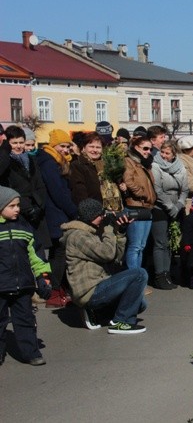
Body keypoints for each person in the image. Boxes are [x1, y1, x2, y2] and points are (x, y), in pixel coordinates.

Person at [61, 198, 148, 334]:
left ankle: (97, 313)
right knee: (139, 274)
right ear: (91, 216)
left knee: (140, 304)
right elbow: (107, 253)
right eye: (101, 215)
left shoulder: (90, 233)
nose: (103, 217)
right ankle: (122, 322)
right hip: (90, 291)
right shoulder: (77, 236)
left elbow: (116, 259)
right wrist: (109, 229)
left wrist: (120, 232)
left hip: (100, 284)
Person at [0, 186, 52, 365]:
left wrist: (42, 277)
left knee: (25, 320)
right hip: (1, 285)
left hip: (23, 284)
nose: (17, 209)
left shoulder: (24, 226)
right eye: (12, 206)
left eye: (18, 205)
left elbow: (36, 255)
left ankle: (31, 353)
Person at [35, 129, 79, 308]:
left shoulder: (57, 161)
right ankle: (54, 292)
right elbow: (58, 192)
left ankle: (59, 290)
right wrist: (73, 211)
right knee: (59, 253)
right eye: (62, 146)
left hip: (57, 212)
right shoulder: (49, 163)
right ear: (54, 145)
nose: (66, 150)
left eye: (68, 146)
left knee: (57, 252)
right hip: (55, 213)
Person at [150, 140, 187, 290]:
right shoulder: (155, 165)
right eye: (162, 152)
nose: (164, 155)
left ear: (174, 155)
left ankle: (168, 273)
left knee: (171, 243)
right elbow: (157, 190)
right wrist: (170, 206)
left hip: (176, 207)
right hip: (160, 207)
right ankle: (160, 275)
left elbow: (184, 189)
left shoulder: (180, 167)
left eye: (167, 153)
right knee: (161, 243)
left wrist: (179, 205)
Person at [122, 134, 156, 270]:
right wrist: (142, 193)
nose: (148, 152)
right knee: (135, 246)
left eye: (150, 149)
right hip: (134, 206)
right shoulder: (129, 161)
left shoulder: (145, 164)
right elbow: (128, 180)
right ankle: (132, 278)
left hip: (147, 207)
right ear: (136, 147)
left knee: (141, 246)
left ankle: (138, 279)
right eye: (145, 148)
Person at [69, 131, 123, 211]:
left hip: (112, 212)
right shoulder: (78, 165)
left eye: (98, 147)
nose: (95, 150)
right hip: (92, 213)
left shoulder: (106, 165)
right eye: (91, 146)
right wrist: (92, 214)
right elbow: (80, 194)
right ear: (84, 148)